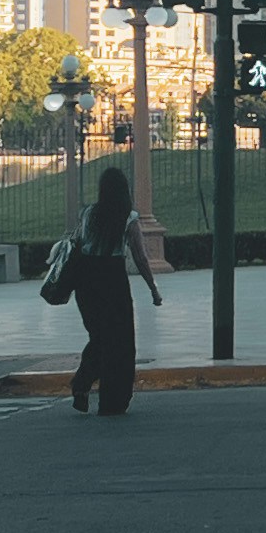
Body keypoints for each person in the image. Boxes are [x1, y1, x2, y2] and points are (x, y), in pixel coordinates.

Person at [64, 164, 166, 416]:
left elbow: (78, 242)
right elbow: (141, 257)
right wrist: (153, 288)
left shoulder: (88, 214)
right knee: (119, 341)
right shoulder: (128, 217)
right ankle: (113, 399)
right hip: (112, 280)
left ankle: (82, 383)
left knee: (98, 336)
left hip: (86, 280)